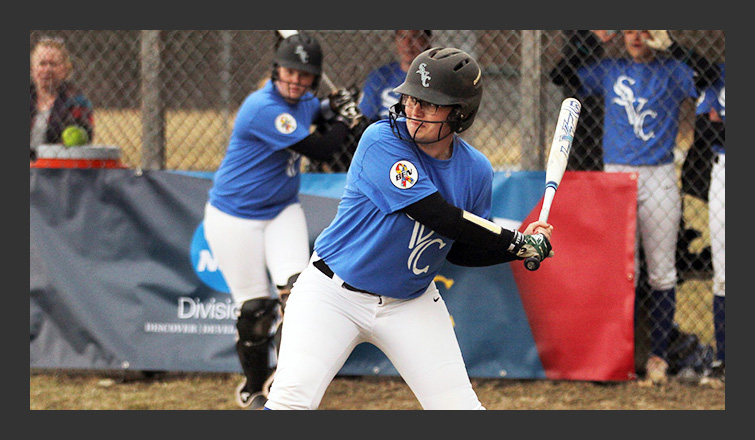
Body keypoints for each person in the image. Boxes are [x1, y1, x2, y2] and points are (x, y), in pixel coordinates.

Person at [263, 47, 553, 410]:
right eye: (411, 98)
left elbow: (460, 249)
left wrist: (524, 249)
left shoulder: (476, 169)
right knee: (291, 401)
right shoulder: (381, 140)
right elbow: (435, 215)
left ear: (460, 114)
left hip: (410, 303)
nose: (414, 110)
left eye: (430, 104)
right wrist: (516, 242)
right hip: (332, 295)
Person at [202, 32, 364, 409]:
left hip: (281, 211)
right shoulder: (262, 107)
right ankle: (254, 385)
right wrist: (343, 116)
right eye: (289, 72)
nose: (295, 81)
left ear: (313, 78)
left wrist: (332, 105)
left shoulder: (304, 99)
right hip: (234, 217)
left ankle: (284, 385)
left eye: (304, 75)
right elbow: (321, 148)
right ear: (276, 71)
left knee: (298, 295)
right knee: (256, 311)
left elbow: (314, 112)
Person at [551, 30, 720, 385]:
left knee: (661, 272)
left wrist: (673, 46)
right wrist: (593, 39)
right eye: (629, 29)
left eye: (645, 29)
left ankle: (657, 356)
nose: (637, 36)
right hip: (616, 176)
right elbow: (560, 75)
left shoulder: (672, 70)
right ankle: (616, 356)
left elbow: (708, 76)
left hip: (658, 175)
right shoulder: (609, 69)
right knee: (620, 272)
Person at [696, 62, 725, 381]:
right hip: (724, 171)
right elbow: (706, 129)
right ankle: (725, 358)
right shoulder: (719, 73)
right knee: (724, 272)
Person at [30, 37, 94, 159]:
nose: (47, 69)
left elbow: (79, 145)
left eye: (53, 64)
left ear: (65, 69)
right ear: (33, 69)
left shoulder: (77, 101)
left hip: (56, 167)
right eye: (42, 63)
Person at [358, 30, 432, 123]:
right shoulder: (380, 75)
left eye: (414, 37)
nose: (407, 43)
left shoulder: (436, 77)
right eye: (402, 37)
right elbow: (365, 118)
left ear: (427, 40)